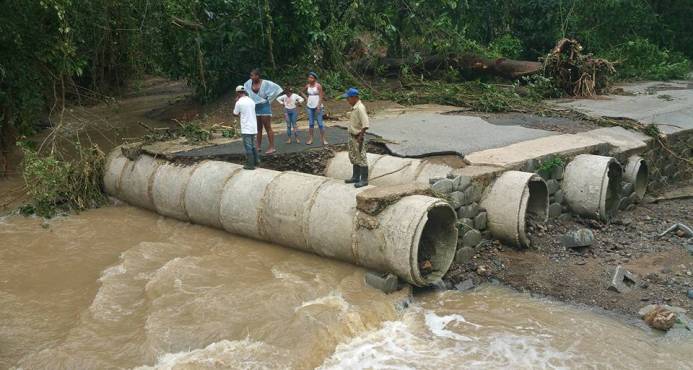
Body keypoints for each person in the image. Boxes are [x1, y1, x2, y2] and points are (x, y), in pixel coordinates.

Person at [244, 68, 283, 154]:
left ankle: (272, 147)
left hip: (264, 106)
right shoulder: (249, 83)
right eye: (250, 75)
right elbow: (245, 90)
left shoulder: (265, 83)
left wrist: (269, 99)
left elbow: (277, 88)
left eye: (252, 75)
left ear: (257, 76)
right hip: (255, 107)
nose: (251, 77)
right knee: (258, 128)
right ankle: (258, 146)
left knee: (267, 127)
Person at [341, 87, 369, 188]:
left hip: (358, 136)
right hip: (352, 136)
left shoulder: (360, 108)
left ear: (354, 97)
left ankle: (364, 180)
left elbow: (365, 124)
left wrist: (360, 137)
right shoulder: (354, 107)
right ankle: (356, 176)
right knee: (353, 156)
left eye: (348, 98)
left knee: (361, 157)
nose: (347, 100)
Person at [232, 85, 260, 170]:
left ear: (237, 93)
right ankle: (257, 161)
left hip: (246, 128)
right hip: (253, 127)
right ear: (244, 92)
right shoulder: (251, 101)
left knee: (248, 146)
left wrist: (236, 102)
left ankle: (250, 165)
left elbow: (235, 113)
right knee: (253, 145)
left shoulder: (239, 102)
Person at [301, 71, 328, 145]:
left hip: (317, 107)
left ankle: (323, 139)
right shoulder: (307, 86)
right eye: (309, 77)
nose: (309, 79)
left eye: (311, 77)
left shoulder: (318, 86)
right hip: (309, 106)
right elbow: (301, 92)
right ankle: (311, 139)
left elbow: (321, 96)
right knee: (311, 123)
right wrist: (306, 98)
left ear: (315, 79)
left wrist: (319, 106)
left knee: (320, 123)